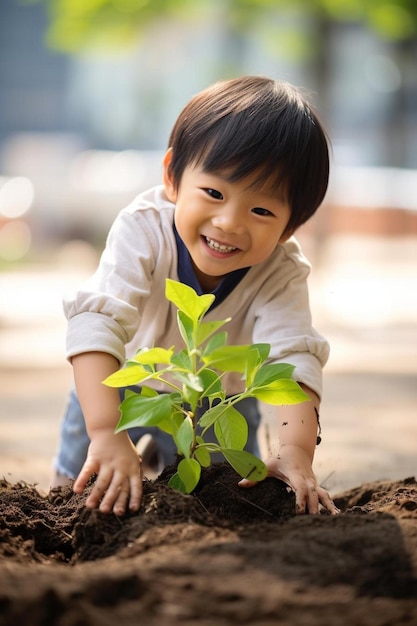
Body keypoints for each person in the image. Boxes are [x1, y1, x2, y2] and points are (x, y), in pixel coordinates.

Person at [52, 75, 340, 518]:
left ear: (290, 226)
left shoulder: (281, 271)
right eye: (214, 192)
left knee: (223, 498)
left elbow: (292, 357)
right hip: (120, 383)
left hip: (221, 402)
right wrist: (107, 431)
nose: (228, 221)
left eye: (261, 210)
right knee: (79, 492)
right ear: (172, 176)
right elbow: (98, 321)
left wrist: (296, 448)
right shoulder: (143, 229)